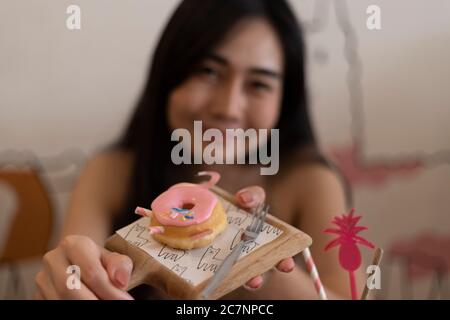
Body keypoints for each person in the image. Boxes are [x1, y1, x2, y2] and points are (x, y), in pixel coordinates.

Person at [35, 0, 363, 300]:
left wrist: (258, 258)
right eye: (208, 71)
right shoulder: (112, 171)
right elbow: (74, 276)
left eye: (259, 83)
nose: (228, 108)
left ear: (285, 100)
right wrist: (68, 280)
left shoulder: (311, 181)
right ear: (168, 76)